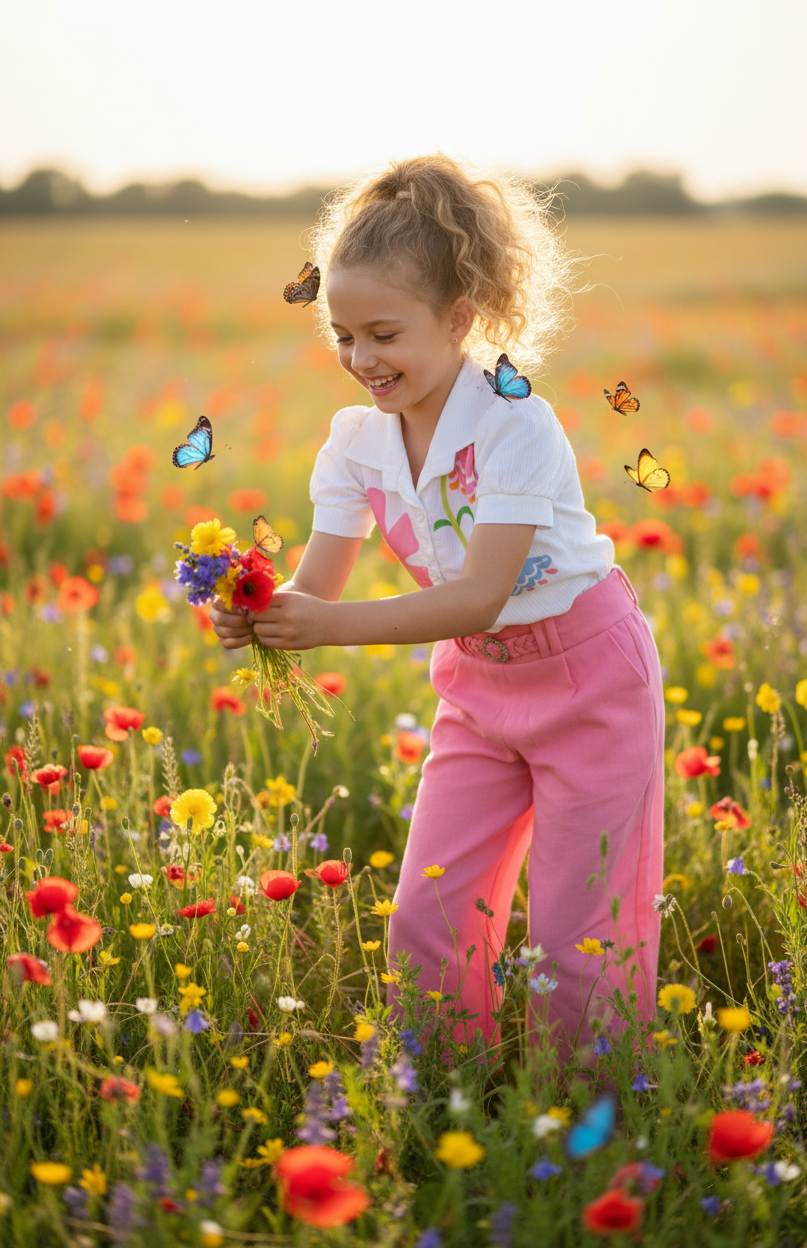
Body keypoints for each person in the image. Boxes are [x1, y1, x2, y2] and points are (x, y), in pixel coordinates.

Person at [210, 154, 665, 1067]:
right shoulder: (353, 446)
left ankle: (581, 1120)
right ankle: (440, 1093)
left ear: (458, 320)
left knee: (585, 930)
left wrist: (325, 628)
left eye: (383, 333)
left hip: (591, 674)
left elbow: (480, 593)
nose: (360, 359)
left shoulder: (514, 422)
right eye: (342, 336)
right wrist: (263, 613)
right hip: (476, 688)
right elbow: (319, 588)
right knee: (429, 908)